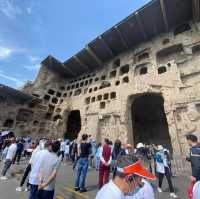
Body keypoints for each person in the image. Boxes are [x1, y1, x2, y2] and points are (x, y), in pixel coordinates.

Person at [186, 134, 200, 198]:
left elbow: (197, 165)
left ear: (189, 141)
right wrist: (188, 158)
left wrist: (194, 176)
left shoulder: (194, 150)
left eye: (187, 141)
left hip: (198, 176)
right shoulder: (198, 147)